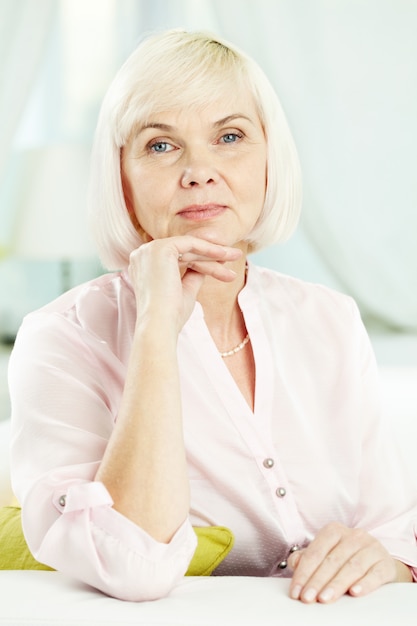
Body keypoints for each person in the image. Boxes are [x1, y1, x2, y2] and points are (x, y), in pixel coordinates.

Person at [9, 29, 417, 603]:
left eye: (229, 136)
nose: (199, 171)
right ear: (121, 179)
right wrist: (155, 327)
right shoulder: (59, 339)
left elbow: (396, 534)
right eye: (160, 145)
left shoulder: (331, 318)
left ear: (269, 158)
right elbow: (134, 566)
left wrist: (384, 561)